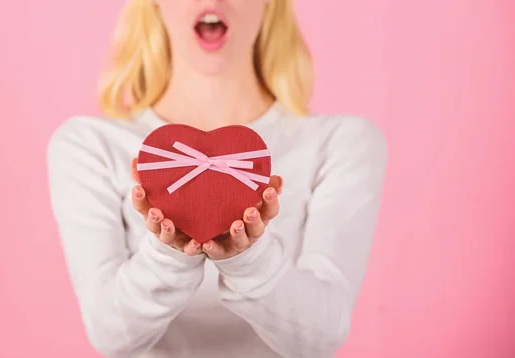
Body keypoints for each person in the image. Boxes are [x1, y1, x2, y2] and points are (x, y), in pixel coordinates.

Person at [46, 0, 388, 357]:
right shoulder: (89, 145)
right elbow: (111, 337)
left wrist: (250, 259)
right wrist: (169, 256)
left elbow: (320, 338)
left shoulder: (341, 143)